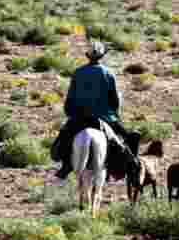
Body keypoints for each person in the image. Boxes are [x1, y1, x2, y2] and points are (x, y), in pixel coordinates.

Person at [54, 41, 134, 180]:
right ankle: (126, 168)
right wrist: (114, 115)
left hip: (79, 117)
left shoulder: (78, 73)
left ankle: (66, 166)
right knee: (128, 138)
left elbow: (70, 98)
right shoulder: (108, 74)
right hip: (104, 117)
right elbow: (114, 100)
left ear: (88, 56)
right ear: (101, 56)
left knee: (64, 140)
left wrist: (71, 114)